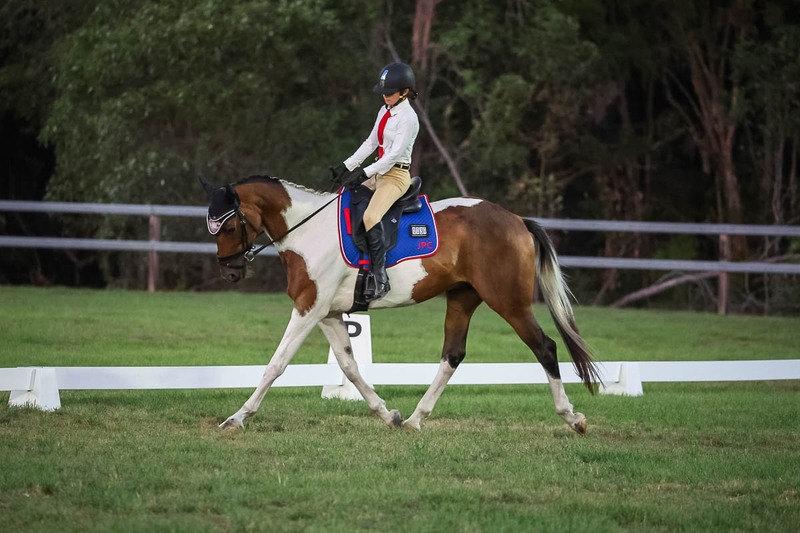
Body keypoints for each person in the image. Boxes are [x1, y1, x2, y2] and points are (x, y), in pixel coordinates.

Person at [331, 62, 420, 302]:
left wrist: (364, 172)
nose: (384, 96)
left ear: (404, 92)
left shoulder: (408, 118)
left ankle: (380, 277)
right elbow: (371, 143)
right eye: (383, 92)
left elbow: (392, 156)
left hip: (396, 176)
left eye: (389, 92)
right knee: (343, 195)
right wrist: (347, 166)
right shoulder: (385, 110)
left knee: (371, 217)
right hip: (378, 172)